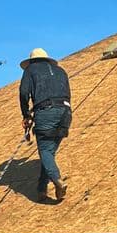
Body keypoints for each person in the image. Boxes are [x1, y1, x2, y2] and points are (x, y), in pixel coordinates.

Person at [19, 47, 72, 202]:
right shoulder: (61, 71)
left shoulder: (30, 70)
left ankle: (57, 180)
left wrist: (26, 114)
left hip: (46, 111)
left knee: (45, 151)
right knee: (48, 151)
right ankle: (41, 189)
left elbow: (23, 93)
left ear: (31, 61)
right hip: (66, 112)